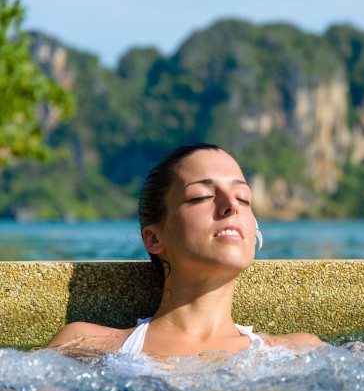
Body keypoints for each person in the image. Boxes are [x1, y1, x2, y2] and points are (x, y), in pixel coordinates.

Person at [47, 143, 325, 356]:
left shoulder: (299, 352)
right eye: (201, 196)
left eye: (243, 197)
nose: (232, 204)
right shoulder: (85, 347)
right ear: (154, 239)